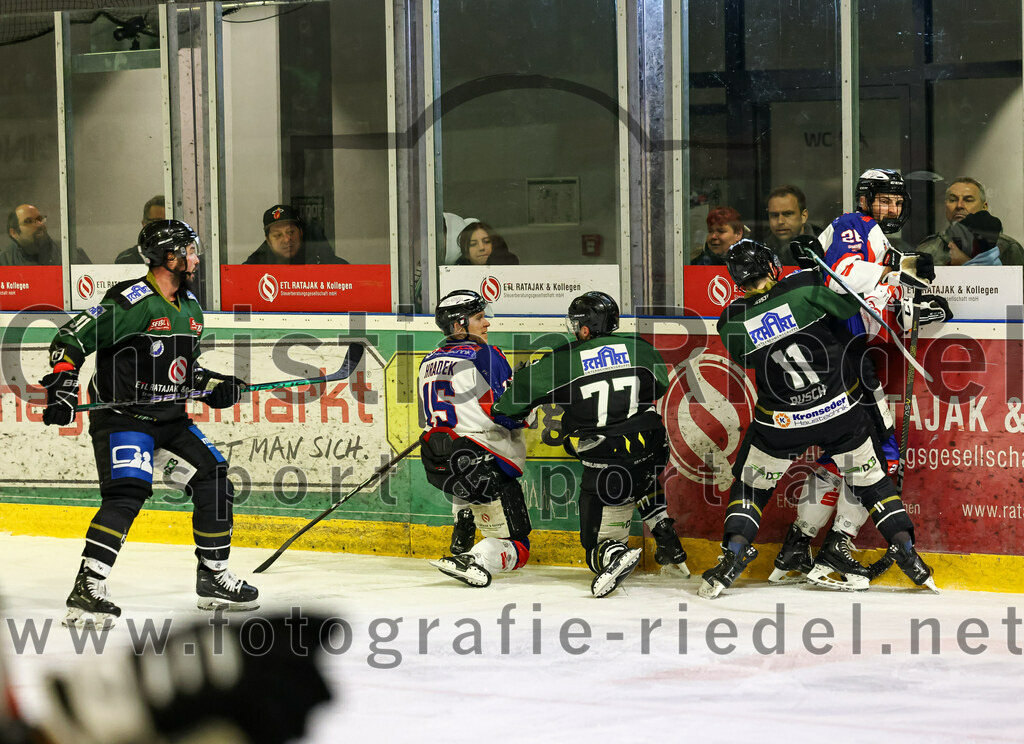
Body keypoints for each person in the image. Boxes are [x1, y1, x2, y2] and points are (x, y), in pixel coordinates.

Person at [41, 218, 257, 628]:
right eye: (189, 250)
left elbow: (184, 373)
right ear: (168, 256)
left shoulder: (191, 309)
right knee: (127, 492)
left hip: (169, 421)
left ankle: (212, 577)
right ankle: (88, 585)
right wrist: (63, 388)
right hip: (123, 417)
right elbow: (71, 337)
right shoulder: (132, 301)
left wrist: (216, 386)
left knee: (214, 479)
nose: (196, 257)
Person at [699, 240, 937, 598]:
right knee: (873, 483)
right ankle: (906, 551)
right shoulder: (804, 287)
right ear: (772, 265)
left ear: (736, 280)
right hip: (837, 411)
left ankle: (733, 555)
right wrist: (816, 271)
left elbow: (747, 357)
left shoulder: (730, 321)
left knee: (751, 487)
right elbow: (846, 311)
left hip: (781, 421)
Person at [770, 169, 950, 590]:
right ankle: (838, 545)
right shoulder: (856, 225)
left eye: (898, 202)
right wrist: (898, 277)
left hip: (846, 355)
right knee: (881, 455)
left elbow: (869, 299)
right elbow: (846, 273)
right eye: (884, 200)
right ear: (865, 199)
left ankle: (797, 544)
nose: (892, 208)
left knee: (842, 455)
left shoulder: (882, 242)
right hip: (845, 354)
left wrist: (913, 306)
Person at [493, 291, 689, 597]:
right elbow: (659, 386)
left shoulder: (562, 361)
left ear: (584, 327)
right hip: (653, 446)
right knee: (641, 470)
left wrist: (523, 381)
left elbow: (507, 407)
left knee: (594, 545)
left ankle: (611, 552)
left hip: (606, 458)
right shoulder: (640, 348)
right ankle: (665, 535)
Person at [420, 289, 531, 587]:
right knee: (520, 548)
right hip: (486, 462)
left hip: (441, 463)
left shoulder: (428, 362)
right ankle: (472, 559)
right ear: (459, 324)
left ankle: (463, 518)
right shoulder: (486, 355)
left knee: (462, 451)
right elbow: (505, 414)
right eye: (480, 317)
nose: (487, 324)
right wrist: (525, 397)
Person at [916, 177, 1024, 268]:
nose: (959, 205)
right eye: (953, 200)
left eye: (968, 200)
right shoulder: (928, 249)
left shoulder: (1008, 248)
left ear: (984, 207)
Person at [244, 204, 347, 265]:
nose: (286, 239)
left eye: (290, 232)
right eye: (278, 235)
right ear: (268, 241)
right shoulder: (257, 265)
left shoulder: (320, 259)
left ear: (301, 232)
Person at [1, 204, 91, 265]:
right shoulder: (5, 261)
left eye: (40, 219)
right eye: (29, 221)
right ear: (14, 233)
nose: (39, 224)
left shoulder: (70, 254)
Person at [765, 184, 819, 265]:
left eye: (787, 214)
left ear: (804, 216)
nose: (780, 221)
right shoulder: (761, 250)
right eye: (774, 215)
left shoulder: (824, 247)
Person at [114, 194, 165, 264]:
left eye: (168, 223)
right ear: (144, 224)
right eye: (156, 222)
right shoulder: (126, 259)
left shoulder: (181, 258)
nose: (163, 228)